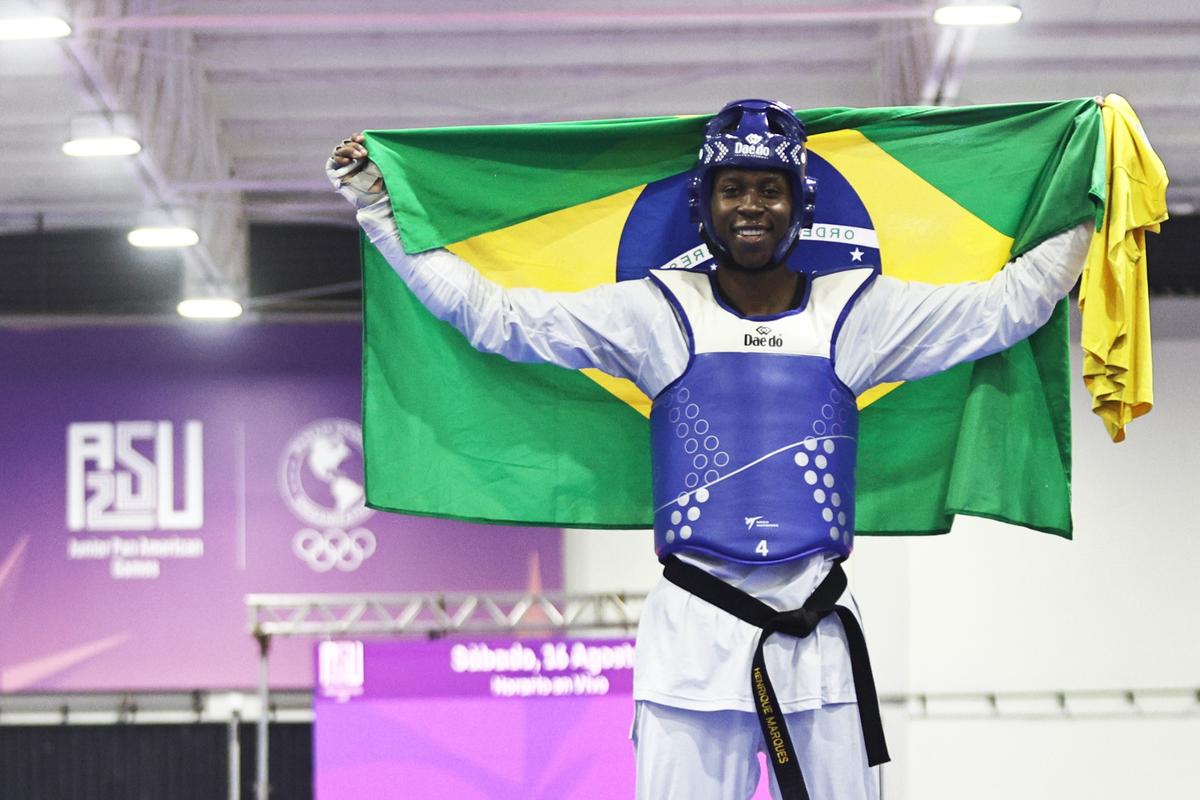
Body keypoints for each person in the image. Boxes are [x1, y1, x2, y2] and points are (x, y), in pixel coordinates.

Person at [329, 99, 1092, 800]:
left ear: (800, 203)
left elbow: (1008, 306)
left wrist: (1094, 196)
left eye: (771, 187)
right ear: (704, 203)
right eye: (734, 188)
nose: (752, 205)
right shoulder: (654, 311)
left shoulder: (859, 310)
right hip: (692, 631)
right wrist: (378, 209)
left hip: (819, 626)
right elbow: (494, 316)